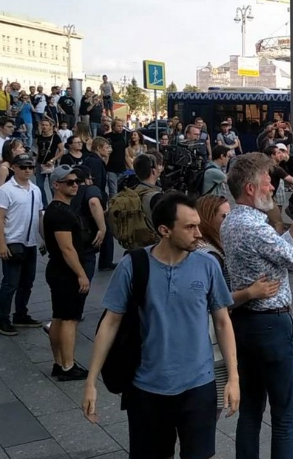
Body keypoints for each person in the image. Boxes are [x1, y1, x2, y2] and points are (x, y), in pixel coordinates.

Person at [82, 192, 240, 459]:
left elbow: (223, 322)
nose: (199, 233)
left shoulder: (207, 265)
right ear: (165, 230)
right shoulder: (133, 265)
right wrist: (90, 381)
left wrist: (234, 377)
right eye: (190, 227)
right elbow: (110, 323)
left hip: (199, 386)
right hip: (147, 388)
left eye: (198, 225)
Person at [221, 153, 293, 459]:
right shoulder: (256, 227)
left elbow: (280, 250)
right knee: (284, 415)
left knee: (251, 410)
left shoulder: (234, 221)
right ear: (251, 188)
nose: (273, 188)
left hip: (245, 324)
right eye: (269, 182)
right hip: (273, 326)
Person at [194, 195, 280, 419]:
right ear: (207, 218)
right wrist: (250, 292)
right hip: (212, 344)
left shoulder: (210, 246)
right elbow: (216, 301)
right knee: (209, 408)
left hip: (207, 343)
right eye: (223, 216)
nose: (228, 219)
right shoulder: (210, 253)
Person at [43, 165, 89, 381]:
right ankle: (68, 366)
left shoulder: (56, 209)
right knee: (69, 319)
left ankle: (59, 363)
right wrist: (81, 273)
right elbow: (66, 248)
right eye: (69, 182)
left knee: (59, 317)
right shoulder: (60, 212)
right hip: (65, 271)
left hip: (58, 270)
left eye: (76, 182)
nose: (75, 185)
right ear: (56, 185)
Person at [0, 154, 44, 336]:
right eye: (23, 167)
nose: (27, 170)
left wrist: (44, 238)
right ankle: (2, 319)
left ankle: (21, 314)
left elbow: (40, 215)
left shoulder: (35, 189)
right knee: (10, 283)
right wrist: (2, 244)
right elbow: (0, 219)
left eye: (30, 167)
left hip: (30, 242)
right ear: (14, 168)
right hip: (12, 241)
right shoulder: (6, 190)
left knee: (27, 281)